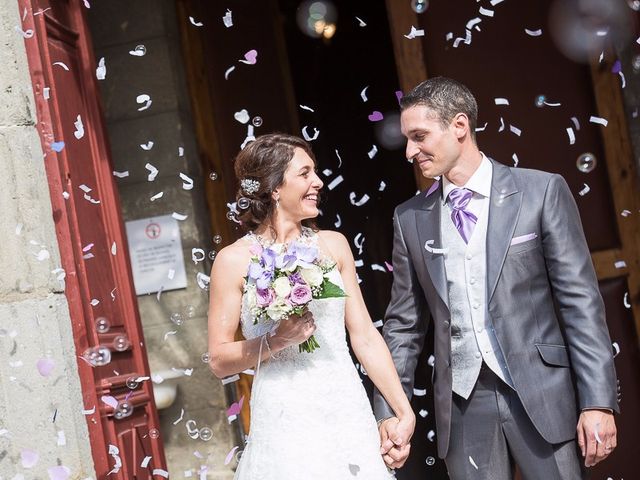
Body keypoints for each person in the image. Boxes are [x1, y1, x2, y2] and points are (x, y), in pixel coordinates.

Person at [373, 77, 619, 479]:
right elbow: (404, 326)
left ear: (459, 126)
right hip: (463, 407)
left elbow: (580, 305)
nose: (410, 151)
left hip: (543, 395)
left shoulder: (541, 191)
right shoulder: (409, 218)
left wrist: (598, 401)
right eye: (407, 139)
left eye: (419, 136)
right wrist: (389, 410)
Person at [207, 133, 415, 479]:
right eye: (305, 174)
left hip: (345, 406)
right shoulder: (234, 261)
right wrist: (275, 341)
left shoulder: (333, 245)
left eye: (315, 172)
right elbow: (217, 360)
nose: (318, 182)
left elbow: (363, 336)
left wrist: (402, 411)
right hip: (284, 419)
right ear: (274, 187)